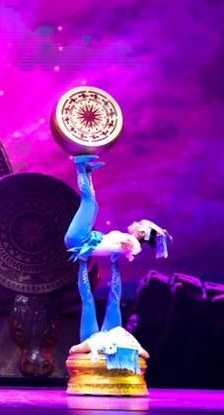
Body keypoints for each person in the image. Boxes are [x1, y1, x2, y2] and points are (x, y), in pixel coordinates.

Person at [64, 154, 170, 373]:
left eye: (139, 224)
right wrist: (112, 264)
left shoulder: (131, 242)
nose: (135, 223)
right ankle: (86, 170)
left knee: (90, 204)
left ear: (141, 233)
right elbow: (114, 294)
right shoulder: (127, 242)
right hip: (83, 241)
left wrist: (87, 265)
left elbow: (99, 294)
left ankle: (80, 166)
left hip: (78, 240)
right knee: (92, 205)